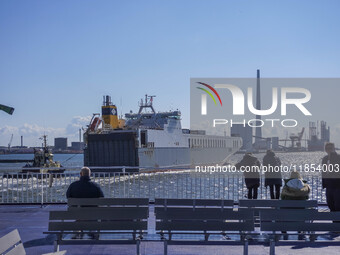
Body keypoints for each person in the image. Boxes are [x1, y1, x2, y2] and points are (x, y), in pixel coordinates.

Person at [321, 142, 340, 212]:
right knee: (330, 203)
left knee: (338, 205)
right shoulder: (325, 159)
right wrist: (324, 183)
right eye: (327, 148)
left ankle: (337, 222)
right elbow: (324, 172)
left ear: (334, 148)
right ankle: (334, 221)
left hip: (337, 186)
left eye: (330, 148)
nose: (329, 150)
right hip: (329, 186)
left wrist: (331, 156)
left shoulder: (338, 157)